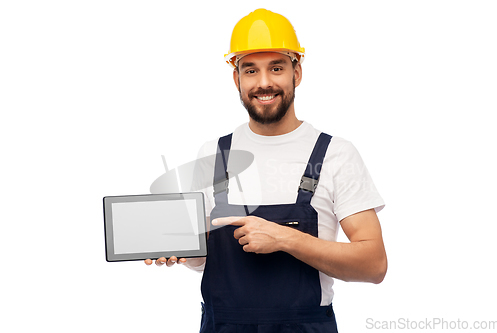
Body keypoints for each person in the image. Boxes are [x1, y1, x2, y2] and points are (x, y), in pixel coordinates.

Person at [146, 8, 387, 332]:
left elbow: (374, 265)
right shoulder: (214, 155)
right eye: (250, 70)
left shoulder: (335, 154)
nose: (263, 83)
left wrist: (286, 238)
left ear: (296, 72)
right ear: (237, 78)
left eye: (276, 68)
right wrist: (180, 251)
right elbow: (203, 261)